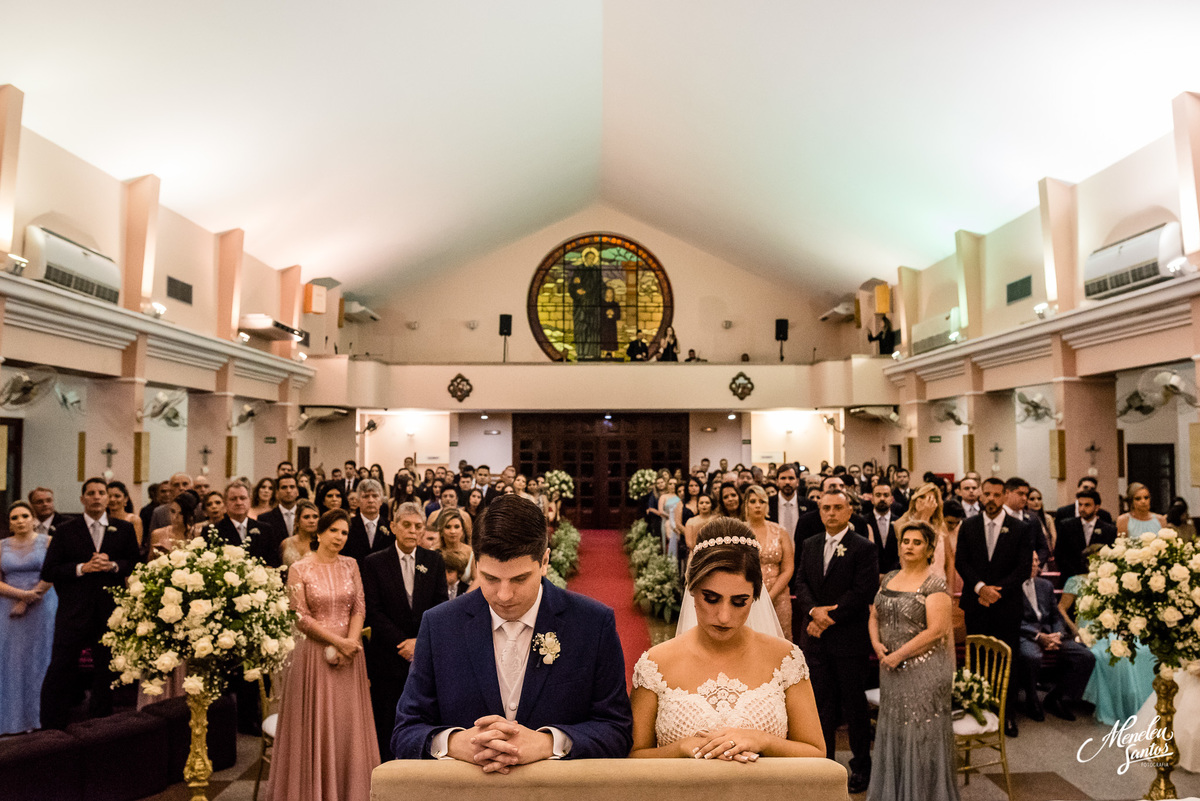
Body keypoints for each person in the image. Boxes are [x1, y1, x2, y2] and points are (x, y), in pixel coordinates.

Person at [392, 494, 633, 765]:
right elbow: (405, 731)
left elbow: (617, 730)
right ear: (476, 564)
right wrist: (454, 743)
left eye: (520, 578)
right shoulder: (440, 625)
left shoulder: (592, 623)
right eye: (491, 578)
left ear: (544, 561)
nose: (504, 595)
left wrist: (549, 742)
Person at [632, 520, 823, 760]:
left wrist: (762, 740)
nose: (724, 617)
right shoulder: (655, 664)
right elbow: (634, 757)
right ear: (692, 587)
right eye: (711, 598)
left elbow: (816, 753)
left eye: (739, 601)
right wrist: (679, 749)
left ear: (755, 596)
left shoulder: (785, 658)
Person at [268, 509, 379, 801]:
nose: (339, 538)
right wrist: (336, 642)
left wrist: (351, 643)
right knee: (316, 726)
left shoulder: (351, 565)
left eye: (344, 533)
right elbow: (300, 616)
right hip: (313, 656)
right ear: (319, 533)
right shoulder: (299, 568)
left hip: (351, 656)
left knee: (347, 726)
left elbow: (359, 607)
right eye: (334, 531)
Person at [793, 488, 879, 794]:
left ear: (849, 511)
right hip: (815, 640)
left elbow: (863, 590)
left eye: (837, 508)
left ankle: (861, 766)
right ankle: (825, 763)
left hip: (848, 639)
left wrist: (828, 618)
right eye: (825, 508)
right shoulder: (810, 543)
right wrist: (813, 611)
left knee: (853, 705)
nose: (830, 513)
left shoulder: (863, 547)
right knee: (821, 704)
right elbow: (800, 581)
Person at [867, 520, 957, 801]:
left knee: (921, 731)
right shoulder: (890, 576)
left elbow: (937, 631)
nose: (909, 546)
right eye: (906, 541)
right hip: (891, 668)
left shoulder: (935, 584)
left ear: (929, 548)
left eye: (917, 542)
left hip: (925, 671)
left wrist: (898, 655)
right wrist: (877, 645)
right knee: (896, 728)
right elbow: (874, 615)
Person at [39, 478, 140, 729]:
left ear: (108, 498)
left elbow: (135, 564)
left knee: (105, 670)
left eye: (101, 493)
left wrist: (112, 565)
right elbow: (49, 571)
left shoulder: (123, 529)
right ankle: (52, 726)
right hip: (73, 610)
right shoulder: (65, 530)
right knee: (62, 667)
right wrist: (83, 568)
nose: (97, 497)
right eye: (91, 493)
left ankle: (101, 725)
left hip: (108, 610)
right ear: (82, 499)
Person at [361, 502, 450, 758]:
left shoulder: (433, 560)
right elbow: (373, 612)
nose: (413, 531)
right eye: (406, 525)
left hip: (421, 657)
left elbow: (440, 606)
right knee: (386, 719)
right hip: (387, 656)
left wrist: (418, 643)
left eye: (418, 526)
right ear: (393, 527)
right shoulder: (374, 562)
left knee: (421, 719)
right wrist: (402, 643)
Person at [954, 476, 1032, 737]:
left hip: (1006, 603)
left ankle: (1007, 713)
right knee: (976, 657)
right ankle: (976, 708)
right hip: (976, 601)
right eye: (986, 494)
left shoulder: (1019, 528)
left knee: (1008, 658)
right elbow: (961, 562)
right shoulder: (969, 525)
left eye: (996, 495)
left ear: (1004, 495)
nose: (990, 499)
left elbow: (1023, 568)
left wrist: (997, 591)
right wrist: (980, 588)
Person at [0, 501, 57, 734]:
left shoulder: (49, 542)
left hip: (42, 604)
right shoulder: (1, 546)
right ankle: (11, 720)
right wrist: (20, 595)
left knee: (40, 657)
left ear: (34, 519)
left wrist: (28, 599)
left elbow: (53, 573)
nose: (20, 520)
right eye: (15, 518)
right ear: (10, 523)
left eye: (25, 515)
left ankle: (40, 718)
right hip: (8, 606)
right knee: (10, 660)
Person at [1016, 554, 1095, 722]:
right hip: (1027, 634)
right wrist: (1038, 636)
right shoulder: (1013, 586)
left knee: (1085, 656)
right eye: (1030, 561)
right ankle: (1032, 699)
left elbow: (1056, 616)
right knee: (1032, 656)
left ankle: (1057, 697)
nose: (1035, 564)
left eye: (1037, 561)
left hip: (1051, 633)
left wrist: (1057, 634)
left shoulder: (1045, 585)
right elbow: (1014, 619)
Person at [741, 485, 794, 639]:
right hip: (747, 595)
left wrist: (770, 596)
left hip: (778, 595)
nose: (758, 505)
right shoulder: (739, 532)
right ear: (746, 505)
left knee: (779, 641)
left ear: (767, 505)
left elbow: (788, 568)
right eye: (753, 501)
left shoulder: (780, 531)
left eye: (762, 501)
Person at [1053, 489, 1117, 579]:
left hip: (1099, 578)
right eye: (1080, 504)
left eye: (1087, 505)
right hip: (1071, 577)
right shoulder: (1066, 526)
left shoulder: (1109, 530)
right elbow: (1060, 554)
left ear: (1097, 507)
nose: (1082, 508)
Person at [343, 479, 393, 562]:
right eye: (365, 496)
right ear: (358, 501)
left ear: (381, 501)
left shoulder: (391, 527)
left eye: (375, 496)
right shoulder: (348, 525)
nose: (370, 500)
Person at [149, 490, 200, 557]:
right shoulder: (157, 534)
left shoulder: (197, 534)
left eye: (181, 513)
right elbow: (150, 563)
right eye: (172, 511)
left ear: (189, 515)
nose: (174, 517)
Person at [436, 507, 475, 585]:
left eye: (457, 527)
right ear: (441, 531)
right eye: (448, 527)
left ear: (462, 530)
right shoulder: (434, 552)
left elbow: (477, 581)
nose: (453, 531)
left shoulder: (471, 553)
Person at [280, 499, 321, 569]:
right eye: (306, 517)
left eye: (315, 517)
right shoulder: (286, 543)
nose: (311, 521)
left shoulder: (322, 543)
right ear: (297, 521)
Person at [259, 474, 302, 539]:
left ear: (297, 491)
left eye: (292, 487)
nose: (288, 491)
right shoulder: (265, 519)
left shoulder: (306, 515)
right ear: (277, 492)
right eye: (284, 487)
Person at [106, 480, 144, 549]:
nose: (112, 499)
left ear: (126, 499)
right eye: (109, 496)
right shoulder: (103, 519)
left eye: (117, 496)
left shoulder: (133, 520)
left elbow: (136, 545)